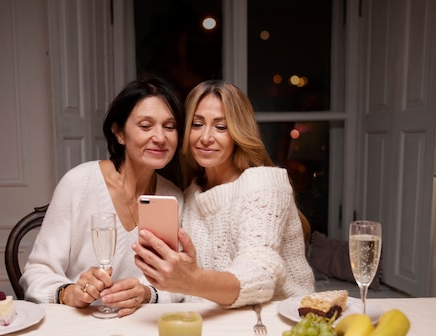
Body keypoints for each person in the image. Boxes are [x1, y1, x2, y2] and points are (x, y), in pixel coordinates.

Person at [133, 80, 314, 308]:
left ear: (238, 132)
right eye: (197, 124)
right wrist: (146, 292)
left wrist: (193, 281)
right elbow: (178, 281)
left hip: (276, 322)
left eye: (221, 127)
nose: (206, 137)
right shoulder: (191, 193)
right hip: (213, 323)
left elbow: (260, 272)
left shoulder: (262, 184)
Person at [20, 78, 185, 317]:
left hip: (141, 327)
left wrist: (147, 294)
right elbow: (36, 274)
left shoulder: (173, 198)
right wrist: (68, 293)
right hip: (77, 325)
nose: (160, 137)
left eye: (169, 127)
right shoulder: (78, 183)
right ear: (119, 132)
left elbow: (177, 282)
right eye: (146, 126)